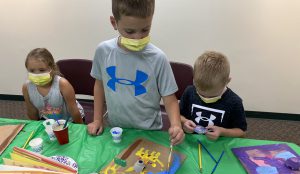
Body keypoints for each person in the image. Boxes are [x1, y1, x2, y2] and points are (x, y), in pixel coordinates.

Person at [87, 0, 184, 145]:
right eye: (130, 31)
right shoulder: (103, 51)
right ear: (114, 23)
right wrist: (97, 119)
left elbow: (169, 98)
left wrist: (176, 125)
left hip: (148, 132)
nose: (138, 38)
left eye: (145, 30)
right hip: (115, 127)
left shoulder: (158, 58)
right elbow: (99, 85)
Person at [180, 51, 247, 140]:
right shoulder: (189, 92)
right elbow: (178, 115)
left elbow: (242, 132)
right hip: (191, 143)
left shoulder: (234, 102)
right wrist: (184, 122)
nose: (206, 98)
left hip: (219, 146)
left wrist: (222, 131)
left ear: (227, 82)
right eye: (200, 93)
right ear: (193, 80)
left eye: (212, 95)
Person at [22, 48, 84, 123]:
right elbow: (31, 111)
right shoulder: (27, 87)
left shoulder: (62, 84)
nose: (37, 74)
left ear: (52, 68)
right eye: (32, 71)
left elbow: (74, 111)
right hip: (48, 120)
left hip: (70, 120)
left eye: (42, 70)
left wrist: (80, 128)